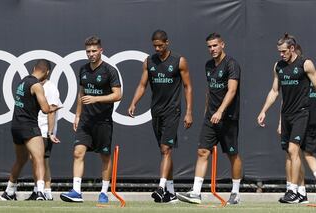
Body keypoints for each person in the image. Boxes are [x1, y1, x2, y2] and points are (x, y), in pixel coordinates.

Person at [257, 33, 316, 204]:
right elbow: (274, 91)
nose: (281, 54)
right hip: (286, 115)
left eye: (283, 51)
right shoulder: (278, 66)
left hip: (302, 114)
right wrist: (264, 110)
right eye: (279, 51)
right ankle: (301, 193)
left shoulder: (306, 64)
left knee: (294, 151)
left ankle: (293, 191)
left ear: (292, 48)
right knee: (290, 153)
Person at [176, 33, 242, 205]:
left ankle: (235, 193)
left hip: (227, 117)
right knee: (202, 151)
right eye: (209, 46)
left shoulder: (232, 64)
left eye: (215, 45)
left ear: (222, 45)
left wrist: (220, 111)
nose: (212, 49)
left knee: (232, 155)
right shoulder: (208, 65)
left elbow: (232, 90)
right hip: (210, 117)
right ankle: (196, 193)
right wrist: (208, 111)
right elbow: (210, 91)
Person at [128, 30, 193, 203]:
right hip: (155, 111)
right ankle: (170, 193)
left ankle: (161, 187)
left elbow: (188, 87)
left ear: (167, 43)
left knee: (166, 149)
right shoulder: (149, 61)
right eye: (154, 45)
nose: (157, 48)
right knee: (165, 152)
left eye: (160, 45)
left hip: (173, 111)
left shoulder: (179, 61)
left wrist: (188, 112)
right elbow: (142, 85)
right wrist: (134, 102)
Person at [60, 36, 122, 203]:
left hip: (103, 121)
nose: (91, 54)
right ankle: (76, 191)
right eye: (88, 51)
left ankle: (104, 192)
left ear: (101, 50)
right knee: (78, 152)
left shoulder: (110, 70)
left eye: (94, 51)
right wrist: (78, 114)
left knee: (105, 157)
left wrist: (96, 99)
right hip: (86, 121)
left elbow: (118, 95)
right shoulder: (83, 69)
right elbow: (82, 93)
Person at [0, 59, 60, 201]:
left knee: (20, 160)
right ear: (47, 72)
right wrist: (53, 108)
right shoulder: (37, 85)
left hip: (16, 127)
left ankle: (9, 192)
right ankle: (40, 192)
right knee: (39, 159)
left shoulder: (22, 81)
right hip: (30, 127)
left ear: (34, 68)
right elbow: (45, 109)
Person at [278, 44, 316, 204]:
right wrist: (281, 120)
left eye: (288, 53)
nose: (285, 57)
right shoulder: (286, 70)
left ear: (295, 52)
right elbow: (284, 98)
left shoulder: (306, 69)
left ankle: (308, 187)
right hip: (298, 116)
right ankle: (303, 191)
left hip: (306, 117)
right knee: (297, 153)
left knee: (301, 153)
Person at [25, 78, 62, 201]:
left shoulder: (50, 88)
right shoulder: (35, 86)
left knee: (42, 161)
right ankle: (38, 190)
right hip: (35, 129)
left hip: (45, 131)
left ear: (46, 73)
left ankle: (47, 192)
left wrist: (50, 132)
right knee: (36, 160)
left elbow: (52, 112)